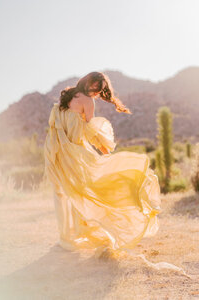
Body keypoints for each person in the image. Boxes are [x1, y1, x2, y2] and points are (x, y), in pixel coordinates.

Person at [44, 71, 161, 258]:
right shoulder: (80, 99)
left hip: (62, 152)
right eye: (96, 86)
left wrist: (103, 149)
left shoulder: (73, 97)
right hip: (67, 154)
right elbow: (87, 130)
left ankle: (69, 238)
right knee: (71, 194)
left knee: (67, 194)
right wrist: (102, 146)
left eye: (100, 89)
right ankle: (70, 237)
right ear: (88, 81)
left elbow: (81, 129)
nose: (96, 91)